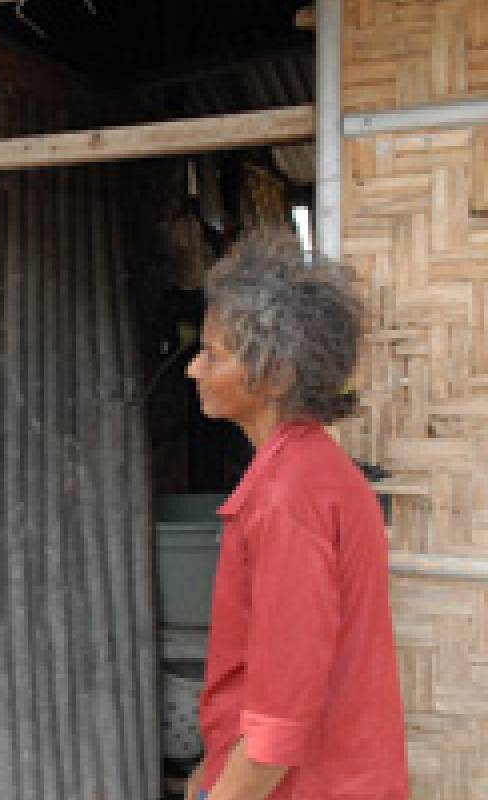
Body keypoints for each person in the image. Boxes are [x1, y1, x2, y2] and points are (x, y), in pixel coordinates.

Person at [182, 230, 409, 800]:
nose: (193, 369)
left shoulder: (290, 496)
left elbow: (278, 724)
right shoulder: (308, 471)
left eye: (214, 355)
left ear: (277, 376)